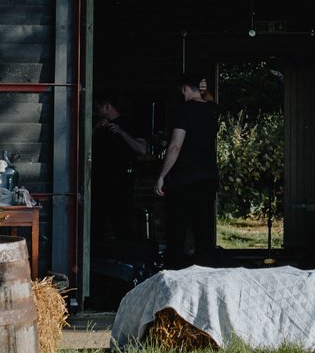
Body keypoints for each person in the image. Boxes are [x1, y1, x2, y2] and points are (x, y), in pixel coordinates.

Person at [152, 78, 220, 267]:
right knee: (203, 232)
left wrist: (161, 176)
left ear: (183, 89)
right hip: (208, 178)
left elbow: (175, 146)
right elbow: (211, 100)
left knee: (177, 231)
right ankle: (204, 273)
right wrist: (204, 92)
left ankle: (175, 272)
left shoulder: (183, 110)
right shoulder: (212, 110)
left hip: (185, 180)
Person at [91, 99, 152, 242]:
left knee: (123, 220)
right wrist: (95, 127)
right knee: (97, 220)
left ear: (107, 106)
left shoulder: (130, 123)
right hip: (98, 180)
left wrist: (122, 133)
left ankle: (125, 255)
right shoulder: (96, 124)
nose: (95, 112)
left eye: (97, 108)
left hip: (122, 180)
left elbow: (142, 149)